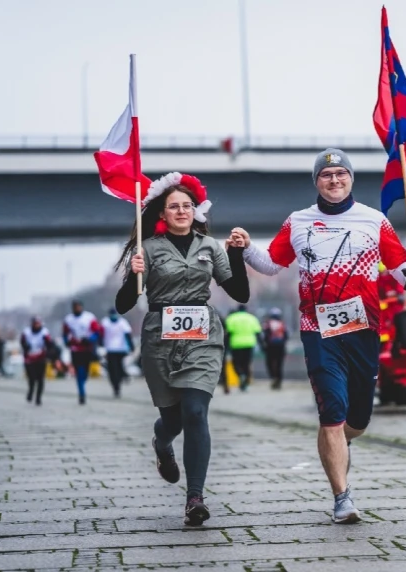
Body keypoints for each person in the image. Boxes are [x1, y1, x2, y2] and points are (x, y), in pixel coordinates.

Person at [230, 148, 406, 524]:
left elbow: (405, 275)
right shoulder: (298, 221)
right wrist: (245, 249)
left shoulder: (374, 221)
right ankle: (342, 497)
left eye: (341, 173)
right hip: (317, 330)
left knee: (357, 419)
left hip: (364, 329)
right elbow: (272, 264)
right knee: (331, 415)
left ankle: (342, 440)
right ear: (316, 182)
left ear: (351, 178)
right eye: (326, 175)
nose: (334, 180)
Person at [114, 171, 250, 526]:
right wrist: (133, 274)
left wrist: (236, 255)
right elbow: (123, 304)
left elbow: (240, 294)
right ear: (162, 213)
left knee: (195, 412)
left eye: (187, 206)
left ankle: (195, 498)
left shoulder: (209, 246)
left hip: (203, 335)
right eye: (174, 206)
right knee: (172, 419)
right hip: (161, 337)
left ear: (196, 210)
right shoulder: (148, 249)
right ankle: (162, 443)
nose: (182, 211)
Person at [63, 300, 102, 405]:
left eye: (78, 307)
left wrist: (90, 339)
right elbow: (65, 333)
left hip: (87, 349)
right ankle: (81, 393)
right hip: (75, 350)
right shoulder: (68, 319)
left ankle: (82, 384)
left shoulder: (89, 318)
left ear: (81, 307)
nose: (77, 309)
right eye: (75, 307)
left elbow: (97, 332)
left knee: (85, 373)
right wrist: (67, 342)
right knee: (79, 372)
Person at [224, 304, 262, 391]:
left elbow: (228, 333)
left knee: (236, 363)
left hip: (236, 344)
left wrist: (226, 346)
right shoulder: (252, 318)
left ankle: (241, 375)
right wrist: (262, 345)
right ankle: (245, 380)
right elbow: (258, 333)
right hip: (249, 344)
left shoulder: (232, 318)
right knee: (247, 363)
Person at [20, 316, 56, 405]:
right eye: (35, 324)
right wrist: (26, 347)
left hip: (40, 358)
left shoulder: (44, 333)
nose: (37, 325)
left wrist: (50, 353)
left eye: (38, 324)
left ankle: (38, 398)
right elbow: (22, 342)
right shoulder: (26, 332)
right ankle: (31, 391)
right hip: (29, 358)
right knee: (31, 378)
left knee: (40, 379)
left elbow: (50, 344)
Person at [101, 308, 135, 398]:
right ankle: (116, 386)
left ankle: (120, 381)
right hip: (110, 350)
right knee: (112, 370)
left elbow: (128, 335)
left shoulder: (122, 323)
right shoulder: (105, 323)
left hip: (121, 349)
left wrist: (131, 346)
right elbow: (100, 335)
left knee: (118, 368)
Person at [261, 307, 289, 390]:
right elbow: (286, 336)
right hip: (280, 347)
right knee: (279, 364)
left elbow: (265, 335)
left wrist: (265, 344)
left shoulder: (267, 324)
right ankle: (279, 380)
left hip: (270, 347)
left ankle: (273, 377)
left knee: (269, 363)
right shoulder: (282, 324)